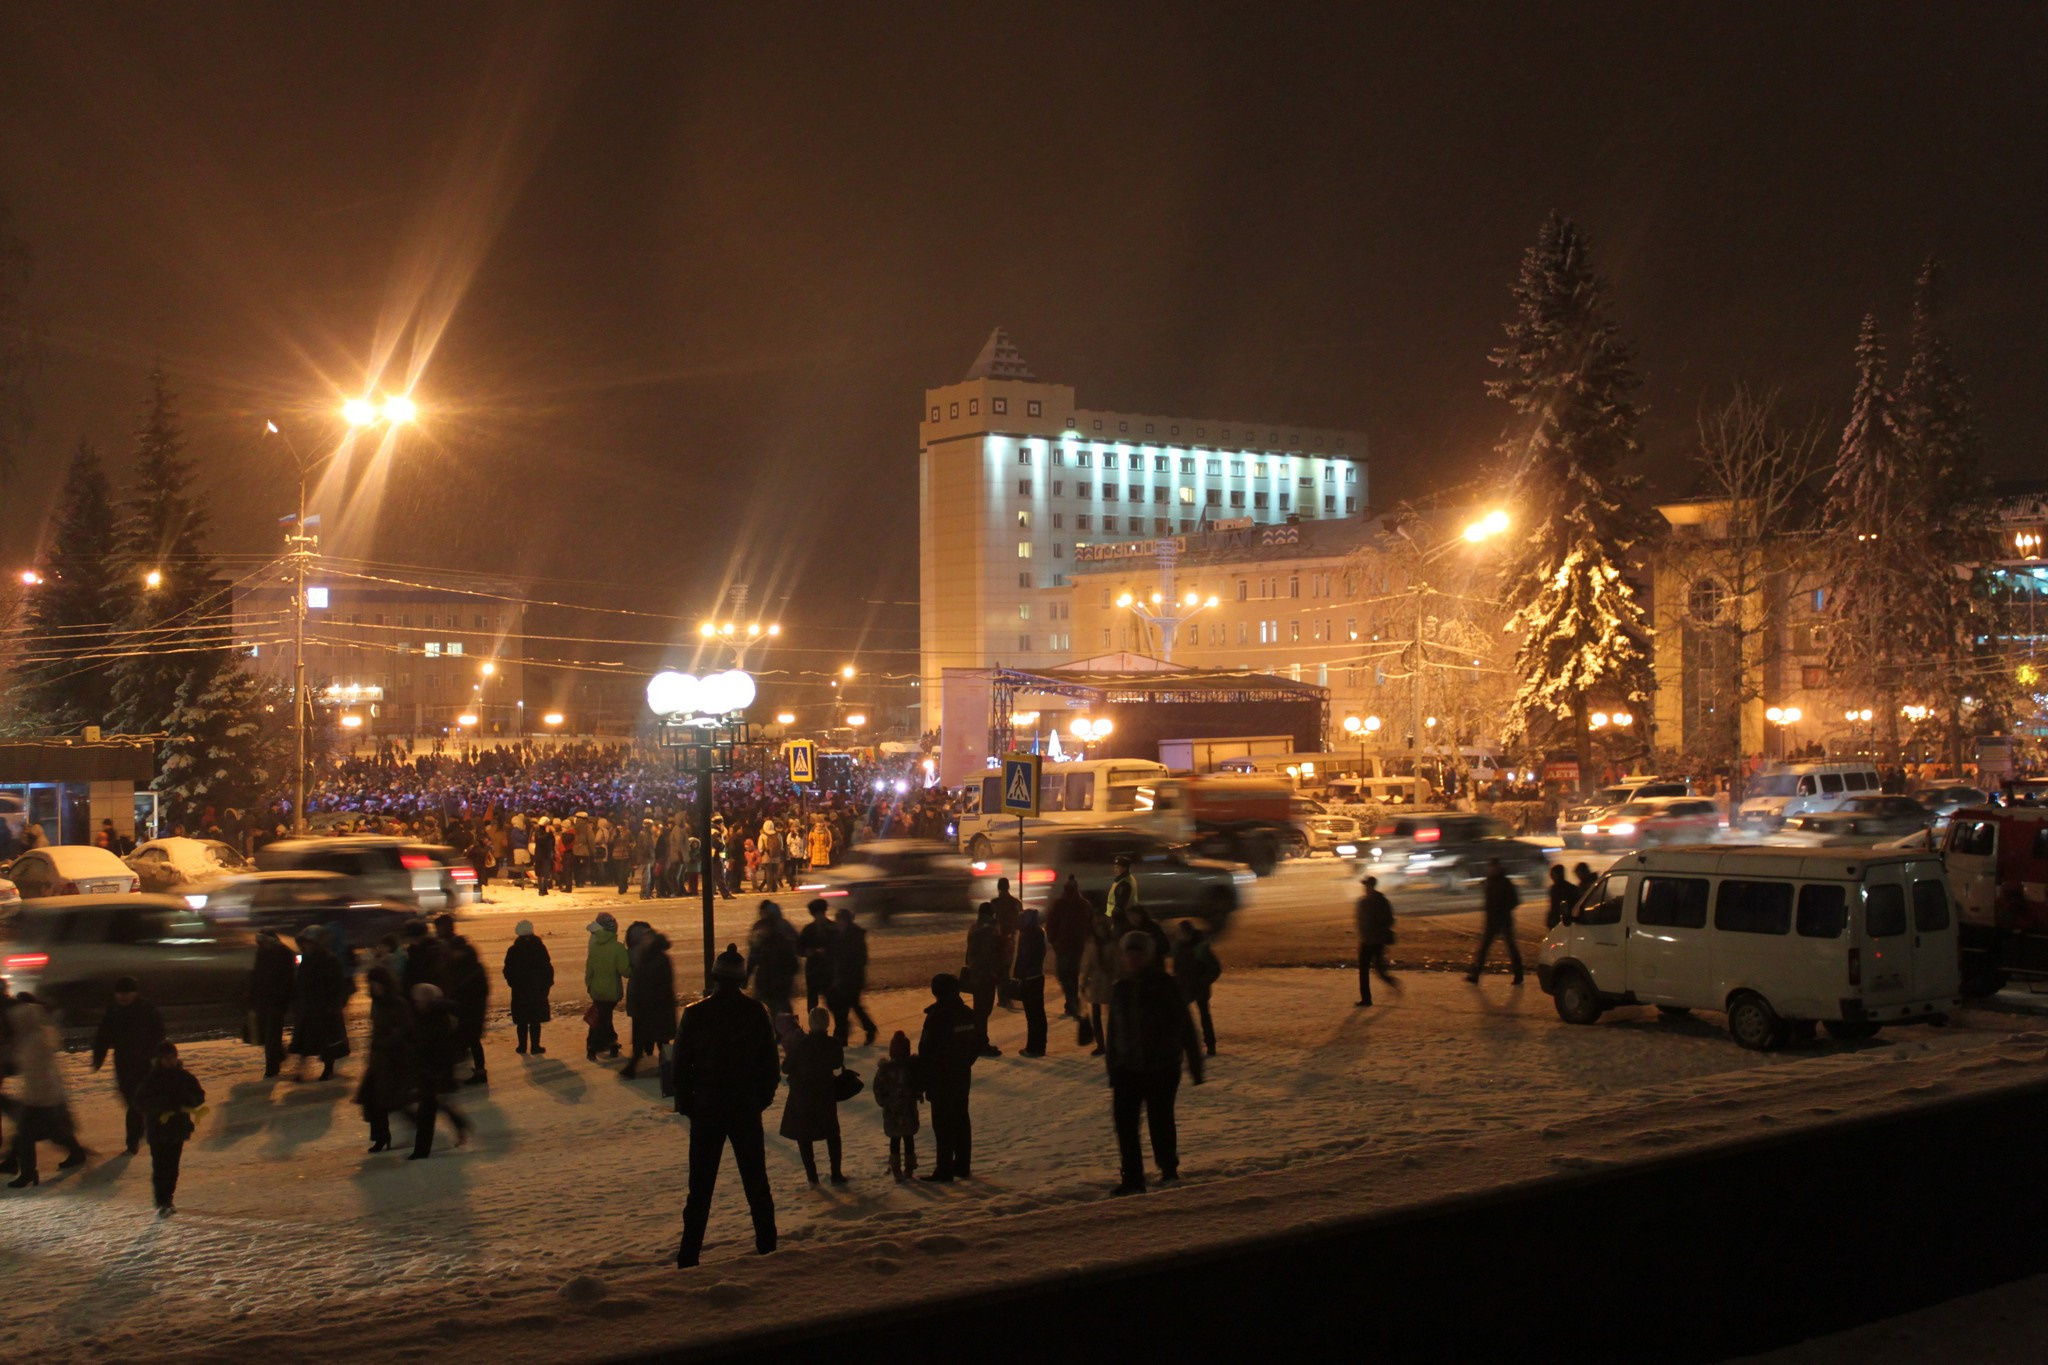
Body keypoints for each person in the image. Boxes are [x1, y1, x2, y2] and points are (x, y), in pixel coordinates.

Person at [673, 944, 781, 1268]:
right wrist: (759, 1100)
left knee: (700, 1189)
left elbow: (680, 1067)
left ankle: (689, 1256)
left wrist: (689, 1105)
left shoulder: (695, 1014)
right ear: (741, 979)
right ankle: (768, 1248)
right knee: (756, 1183)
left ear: (714, 978)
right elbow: (770, 1065)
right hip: (744, 1107)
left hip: (707, 1108)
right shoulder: (756, 1012)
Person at [1105, 931, 1204, 1196]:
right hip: (1127, 1068)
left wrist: (1195, 1063)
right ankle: (1133, 1178)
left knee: (1160, 1121)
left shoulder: (1164, 985)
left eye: (1138, 953)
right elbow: (1113, 1031)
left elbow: (1185, 1025)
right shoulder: (1121, 988)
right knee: (1125, 1125)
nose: (1133, 958)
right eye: (1129, 953)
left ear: (1147, 956)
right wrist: (1113, 1066)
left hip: (1161, 1066)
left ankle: (1168, 1170)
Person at [6, 991, 89, 1185]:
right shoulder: (36, 1035)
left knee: (25, 1134)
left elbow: (32, 1070)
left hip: (40, 1097)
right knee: (51, 1131)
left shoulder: (34, 1040)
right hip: (46, 1095)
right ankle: (76, 1153)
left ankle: (27, 1172)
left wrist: (34, 1098)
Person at [916, 973, 981, 1182]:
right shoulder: (967, 1014)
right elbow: (976, 1044)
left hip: (941, 1077)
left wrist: (924, 1077)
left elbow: (927, 1050)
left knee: (942, 1123)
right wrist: (964, 1063)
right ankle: (962, 1164)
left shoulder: (938, 1016)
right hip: (961, 1074)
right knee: (961, 1118)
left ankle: (944, 1169)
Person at [91, 975, 166, 1154]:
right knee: (129, 1097)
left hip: (144, 1061)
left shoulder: (146, 1009)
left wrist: (157, 1055)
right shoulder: (113, 1011)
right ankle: (142, 1124)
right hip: (123, 1061)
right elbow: (103, 1035)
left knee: (135, 1101)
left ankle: (133, 1140)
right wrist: (98, 1057)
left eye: (126, 993)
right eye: (120, 994)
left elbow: (159, 1033)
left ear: (135, 993)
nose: (123, 997)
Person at [132, 1041, 205, 1216]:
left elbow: (199, 1096)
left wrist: (186, 1101)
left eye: (173, 1057)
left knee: (172, 1166)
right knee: (160, 1166)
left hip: (177, 1128)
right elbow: (140, 1102)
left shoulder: (184, 1077)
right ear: (159, 1059)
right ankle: (161, 1200)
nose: (171, 1061)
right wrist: (163, 1105)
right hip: (158, 1129)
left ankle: (168, 1199)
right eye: (167, 1058)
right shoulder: (151, 1079)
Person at [780, 1007, 847, 1186]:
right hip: (825, 1093)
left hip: (802, 1095)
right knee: (832, 1133)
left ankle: (812, 1176)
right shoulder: (833, 1043)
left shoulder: (801, 1044)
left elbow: (786, 1068)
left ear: (810, 1023)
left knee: (804, 1135)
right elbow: (837, 1063)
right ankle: (836, 1173)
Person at [406, 983, 471, 1159]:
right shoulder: (425, 1016)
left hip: (435, 1070)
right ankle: (459, 1123)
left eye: (419, 1001)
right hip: (429, 1069)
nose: (416, 1004)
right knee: (434, 1104)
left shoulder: (438, 1019)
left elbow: (441, 1048)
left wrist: (436, 1069)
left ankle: (421, 1150)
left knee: (427, 1110)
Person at [357, 967, 414, 1153]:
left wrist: (387, 1041)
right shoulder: (377, 1003)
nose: (374, 987)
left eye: (376, 983)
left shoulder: (397, 1003)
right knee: (373, 1100)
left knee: (390, 1100)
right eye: (371, 984)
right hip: (378, 1059)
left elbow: (405, 1030)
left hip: (394, 1059)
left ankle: (415, 1122)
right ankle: (381, 1137)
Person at [291, 926, 353, 1082]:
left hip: (324, 1008)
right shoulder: (306, 960)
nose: (305, 946)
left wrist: (333, 1004)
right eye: (304, 943)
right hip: (308, 1007)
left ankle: (328, 1069)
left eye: (308, 943)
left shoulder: (329, 960)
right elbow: (300, 982)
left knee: (327, 1041)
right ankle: (300, 1070)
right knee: (305, 1040)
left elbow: (337, 984)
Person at [624, 929, 678, 1090]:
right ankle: (666, 1070)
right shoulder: (655, 958)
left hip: (652, 1007)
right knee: (658, 1041)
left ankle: (634, 1068)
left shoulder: (653, 958)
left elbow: (653, 984)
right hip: (655, 1007)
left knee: (650, 1041)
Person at [1466, 859, 1525, 985]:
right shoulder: (1490, 882)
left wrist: (1503, 910)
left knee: (1510, 948)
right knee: (1484, 949)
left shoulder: (1504, 882)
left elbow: (1515, 900)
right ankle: (1475, 975)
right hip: (1493, 921)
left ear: (1497, 868)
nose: (1490, 870)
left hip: (1503, 920)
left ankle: (1519, 975)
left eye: (1492, 868)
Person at [872, 1031, 922, 1181]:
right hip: (909, 1110)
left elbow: (878, 1088)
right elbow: (919, 1084)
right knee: (909, 1138)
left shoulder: (885, 1070)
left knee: (895, 1139)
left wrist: (883, 1102)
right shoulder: (912, 1067)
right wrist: (917, 1094)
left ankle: (896, 1167)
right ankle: (909, 1167)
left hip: (892, 1111)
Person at [827, 906, 878, 1047]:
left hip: (852, 979)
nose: (839, 923)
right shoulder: (837, 936)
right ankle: (867, 1028)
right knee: (851, 1007)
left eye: (841, 921)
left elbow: (861, 959)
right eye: (838, 920)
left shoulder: (855, 936)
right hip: (841, 979)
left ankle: (842, 1038)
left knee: (846, 1008)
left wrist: (846, 969)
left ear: (847, 922)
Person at [249, 929, 297, 1077]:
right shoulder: (264, 952)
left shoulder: (283, 953)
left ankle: (272, 1067)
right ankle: (278, 1056)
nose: (261, 945)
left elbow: (288, 979)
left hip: (276, 1000)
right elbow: (257, 974)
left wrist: (282, 995)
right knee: (266, 1034)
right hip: (265, 999)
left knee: (272, 1034)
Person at [584, 911, 631, 1061]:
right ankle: (604, 1044)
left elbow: (589, 969)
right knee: (604, 1018)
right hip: (612, 991)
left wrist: (589, 984)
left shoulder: (594, 946)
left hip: (596, 989)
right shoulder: (618, 948)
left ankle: (601, 1043)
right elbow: (625, 971)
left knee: (602, 1016)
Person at [503, 920, 554, 1055]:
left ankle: (522, 1046)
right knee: (535, 1020)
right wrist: (546, 986)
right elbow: (547, 969)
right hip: (537, 990)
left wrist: (513, 983)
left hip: (520, 990)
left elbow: (508, 970)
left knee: (522, 1020)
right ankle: (535, 1046)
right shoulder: (539, 948)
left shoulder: (514, 950)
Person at [1170, 921, 1221, 1057]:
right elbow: (1177, 968)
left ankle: (1210, 1045)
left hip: (1199, 988)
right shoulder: (1179, 947)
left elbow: (1215, 969)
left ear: (1186, 933)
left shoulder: (1200, 948)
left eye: (1179, 932)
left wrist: (1203, 982)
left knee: (1204, 1016)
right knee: (1183, 1017)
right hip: (1185, 988)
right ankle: (1183, 1046)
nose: (1177, 934)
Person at [962, 904, 1007, 1057]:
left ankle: (979, 1042)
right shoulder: (990, 930)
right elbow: (992, 954)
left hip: (976, 975)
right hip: (986, 976)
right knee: (983, 1012)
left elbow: (969, 955)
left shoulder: (974, 927)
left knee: (979, 1010)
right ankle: (980, 1044)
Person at [1044, 875, 1091, 1020]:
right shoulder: (1081, 904)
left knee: (1066, 975)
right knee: (1069, 975)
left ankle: (1071, 1003)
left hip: (1067, 946)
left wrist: (1054, 940)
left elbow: (1050, 924)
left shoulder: (1063, 904)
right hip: (1071, 946)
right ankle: (1072, 1003)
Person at [446, 938, 490, 1086]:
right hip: (469, 1011)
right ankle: (479, 1072)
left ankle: (478, 1072)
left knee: (469, 1041)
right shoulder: (469, 966)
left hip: (470, 1011)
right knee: (472, 1042)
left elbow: (475, 991)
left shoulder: (470, 969)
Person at [747, 902, 800, 1022]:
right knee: (782, 1011)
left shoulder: (762, 930)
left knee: (764, 1011)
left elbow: (753, 955)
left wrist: (747, 974)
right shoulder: (784, 930)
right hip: (780, 982)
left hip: (768, 981)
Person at [1355, 875, 1400, 1006]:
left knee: (1378, 969)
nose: (1365, 888)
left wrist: (1377, 930)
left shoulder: (1379, 902)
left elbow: (1389, 920)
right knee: (1364, 970)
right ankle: (1366, 999)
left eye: (1367, 885)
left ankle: (1391, 982)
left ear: (1371, 886)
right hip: (1367, 940)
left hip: (1376, 941)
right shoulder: (1366, 901)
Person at [1080, 909, 1119, 1055]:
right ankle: (1101, 1044)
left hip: (1108, 982)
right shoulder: (1094, 944)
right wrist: (1084, 981)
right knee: (1096, 1016)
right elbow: (1087, 965)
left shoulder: (1110, 945)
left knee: (1111, 1017)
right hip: (1097, 983)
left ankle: (1110, 1043)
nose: (1099, 931)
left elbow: (1117, 965)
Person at [1013, 906, 1049, 1057]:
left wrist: (1018, 973)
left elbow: (1024, 957)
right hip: (1038, 976)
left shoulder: (1027, 935)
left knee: (1032, 1015)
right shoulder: (1040, 932)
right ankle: (1040, 1045)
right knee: (1039, 1013)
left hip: (1029, 978)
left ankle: (1033, 1047)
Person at [797, 900, 838, 1012]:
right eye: (817, 914)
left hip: (827, 971)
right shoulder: (809, 929)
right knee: (812, 1001)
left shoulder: (833, 928)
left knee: (831, 1000)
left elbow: (840, 948)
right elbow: (798, 948)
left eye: (820, 914)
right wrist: (807, 952)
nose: (819, 917)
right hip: (814, 971)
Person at [990, 877, 1023, 1007]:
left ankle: (1002, 996)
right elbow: (1020, 921)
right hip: (1010, 939)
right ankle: (1006, 996)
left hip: (997, 938)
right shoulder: (1016, 902)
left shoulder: (994, 903)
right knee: (1006, 967)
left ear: (998, 887)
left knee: (999, 967)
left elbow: (992, 920)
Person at [1106, 853, 1139, 921]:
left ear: (1124, 868)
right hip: (1121, 916)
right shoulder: (1124, 879)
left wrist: (1115, 917)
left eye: (1118, 867)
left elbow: (1120, 904)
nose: (1115, 869)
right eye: (1115, 867)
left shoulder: (1124, 883)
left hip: (1120, 918)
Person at [1545, 864, 1577, 929]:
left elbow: (1555, 907)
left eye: (1553, 874)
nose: (1551, 877)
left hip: (1562, 920)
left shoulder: (1557, 889)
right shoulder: (1571, 888)